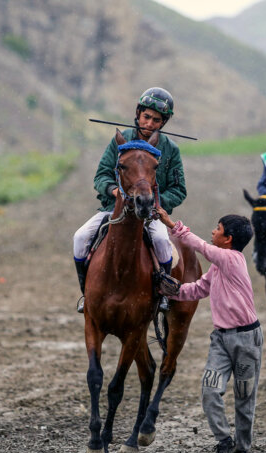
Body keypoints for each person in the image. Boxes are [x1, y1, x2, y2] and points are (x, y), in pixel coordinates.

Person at [156, 206, 261, 453]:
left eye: (218, 229)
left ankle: (241, 450)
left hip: (247, 341)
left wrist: (171, 224)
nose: (213, 232)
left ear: (228, 240)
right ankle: (225, 441)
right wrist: (172, 291)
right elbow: (198, 289)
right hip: (221, 341)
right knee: (210, 391)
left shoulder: (232, 259)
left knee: (244, 396)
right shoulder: (217, 268)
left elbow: (200, 246)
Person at [72, 87, 186, 313]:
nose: (150, 123)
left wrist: (154, 202)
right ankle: (87, 294)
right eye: (146, 117)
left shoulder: (171, 150)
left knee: (163, 243)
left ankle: (162, 294)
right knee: (80, 237)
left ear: (163, 123)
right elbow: (101, 175)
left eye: (156, 120)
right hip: (113, 210)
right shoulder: (119, 141)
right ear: (138, 113)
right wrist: (116, 192)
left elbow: (179, 190)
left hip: (150, 213)